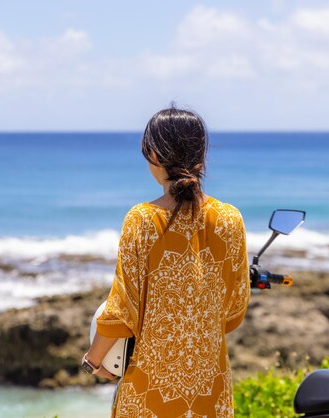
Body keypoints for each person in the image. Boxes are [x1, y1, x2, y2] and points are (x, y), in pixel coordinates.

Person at [83, 103, 250, 417]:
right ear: (201, 157)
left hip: (150, 390)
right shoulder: (231, 219)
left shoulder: (143, 220)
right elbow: (234, 311)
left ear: (154, 156)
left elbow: (122, 310)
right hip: (209, 391)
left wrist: (93, 360)